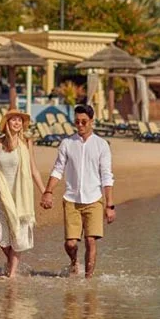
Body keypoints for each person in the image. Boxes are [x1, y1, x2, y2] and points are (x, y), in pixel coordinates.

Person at [40, 104, 115, 278]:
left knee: (91, 240)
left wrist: (110, 205)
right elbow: (58, 169)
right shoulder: (67, 143)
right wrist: (48, 191)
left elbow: (106, 176)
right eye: (77, 122)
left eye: (84, 122)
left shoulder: (101, 145)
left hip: (94, 199)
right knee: (70, 244)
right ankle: (74, 262)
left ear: (91, 122)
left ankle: (88, 281)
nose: (80, 125)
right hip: (71, 199)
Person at [0, 109, 46, 278]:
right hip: (3, 194)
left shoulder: (27, 142)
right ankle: (12, 262)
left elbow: (33, 169)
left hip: (21, 195)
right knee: (2, 237)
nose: (17, 123)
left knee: (18, 235)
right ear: (7, 123)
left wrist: (44, 191)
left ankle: (11, 275)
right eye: (13, 120)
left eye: (20, 120)